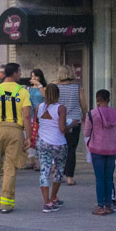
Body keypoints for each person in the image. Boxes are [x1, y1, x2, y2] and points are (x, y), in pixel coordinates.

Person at [0, 63, 30, 213]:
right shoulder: (23, 92)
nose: (20, 74)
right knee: (10, 167)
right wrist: (28, 136)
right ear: (15, 73)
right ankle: (6, 204)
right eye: (19, 72)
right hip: (16, 131)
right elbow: (27, 116)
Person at [82, 88, 116, 215]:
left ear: (97, 100)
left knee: (99, 178)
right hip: (112, 148)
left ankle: (100, 206)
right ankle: (109, 205)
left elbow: (87, 132)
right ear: (109, 100)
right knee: (109, 177)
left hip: (97, 148)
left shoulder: (92, 114)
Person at [34, 83, 67, 212]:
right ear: (58, 94)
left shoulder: (39, 107)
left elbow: (37, 121)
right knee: (58, 170)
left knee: (44, 170)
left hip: (42, 142)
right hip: (58, 143)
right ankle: (53, 197)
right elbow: (62, 128)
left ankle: (46, 201)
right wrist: (72, 125)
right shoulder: (61, 108)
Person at [56, 68, 83, 185]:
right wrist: (85, 114)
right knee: (71, 149)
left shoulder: (56, 87)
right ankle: (70, 178)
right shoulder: (77, 87)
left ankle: (59, 175)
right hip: (75, 120)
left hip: (60, 119)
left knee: (60, 148)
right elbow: (83, 102)